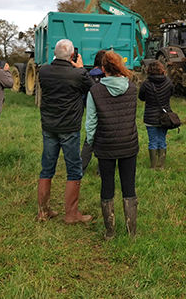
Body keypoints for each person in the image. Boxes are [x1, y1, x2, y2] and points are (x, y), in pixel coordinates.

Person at [36, 39, 94, 223]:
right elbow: (93, 88)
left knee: (47, 168)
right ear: (72, 55)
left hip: (49, 125)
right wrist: (81, 68)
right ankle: (71, 213)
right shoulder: (77, 74)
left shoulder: (43, 71)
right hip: (69, 126)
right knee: (74, 169)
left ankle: (43, 211)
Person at [85, 51, 139, 239]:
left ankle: (110, 232)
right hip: (128, 142)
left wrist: (90, 142)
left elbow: (91, 122)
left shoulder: (95, 91)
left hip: (105, 144)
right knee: (129, 186)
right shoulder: (132, 89)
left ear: (102, 69)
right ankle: (132, 231)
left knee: (107, 185)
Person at [139, 61, 175, 170]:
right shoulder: (168, 82)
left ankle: (153, 166)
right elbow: (171, 94)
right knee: (162, 140)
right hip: (165, 116)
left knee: (152, 141)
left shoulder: (146, 84)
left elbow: (141, 97)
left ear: (149, 70)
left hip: (150, 117)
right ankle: (161, 165)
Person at [81, 49, 107, 175]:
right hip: (107, 111)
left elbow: (82, 95)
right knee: (104, 140)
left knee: (89, 139)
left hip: (92, 109)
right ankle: (101, 171)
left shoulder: (88, 75)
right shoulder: (108, 76)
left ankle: (81, 169)